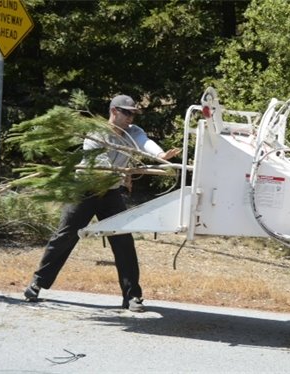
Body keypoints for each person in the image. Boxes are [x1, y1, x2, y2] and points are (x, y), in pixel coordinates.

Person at [24, 94, 180, 312]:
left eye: (133, 113)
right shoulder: (96, 133)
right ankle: (38, 283)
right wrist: (124, 172)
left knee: (124, 241)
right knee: (65, 236)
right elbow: (103, 167)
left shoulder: (134, 132)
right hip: (85, 191)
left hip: (111, 194)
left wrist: (162, 155)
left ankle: (132, 297)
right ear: (114, 111)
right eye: (127, 112)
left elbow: (146, 144)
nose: (130, 117)